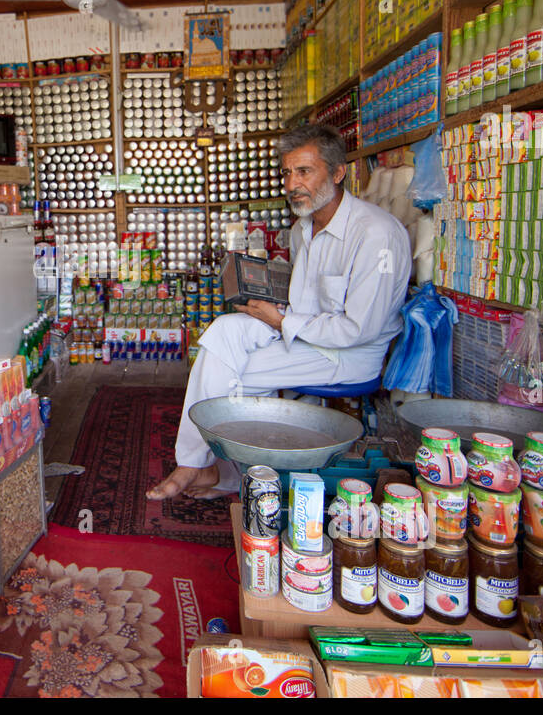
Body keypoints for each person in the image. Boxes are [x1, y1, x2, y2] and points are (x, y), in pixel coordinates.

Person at [148, 123, 412, 500]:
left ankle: (213, 470)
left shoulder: (375, 234)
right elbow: (306, 303)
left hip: (345, 354)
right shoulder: (303, 229)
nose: (291, 184)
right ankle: (204, 466)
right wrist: (269, 305)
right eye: (287, 172)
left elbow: (358, 330)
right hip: (302, 333)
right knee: (223, 331)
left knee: (227, 372)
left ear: (337, 173)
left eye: (304, 171)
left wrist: (282, 320)